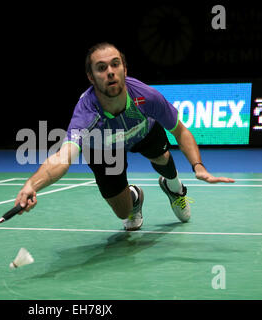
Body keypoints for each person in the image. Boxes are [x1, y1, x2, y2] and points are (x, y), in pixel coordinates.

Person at [15, 42, 235, 231]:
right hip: (102, 148)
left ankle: (174, 188)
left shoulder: (146, 97)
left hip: (142, 130)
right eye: (101, 68)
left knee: (163, 158)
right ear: (91, 77)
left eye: (115, 64)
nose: (110, 71)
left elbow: (181, 131)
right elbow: (64, 158)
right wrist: (31, 185)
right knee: (123, 213)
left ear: (124, 70)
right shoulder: (87, 113)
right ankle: (135, 197)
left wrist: (198, 166)